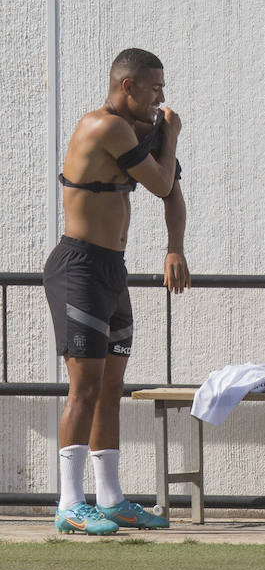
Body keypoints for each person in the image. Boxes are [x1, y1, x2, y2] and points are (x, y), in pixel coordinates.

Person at [45, 48, 189, 535]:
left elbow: (172, 191)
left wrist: (175, 248)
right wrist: (169, 135)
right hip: (78, 267)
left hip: (112, 270)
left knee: (111, 389)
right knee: (84, 389)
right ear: (128, 86)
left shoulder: (138, 132)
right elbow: (161, 180)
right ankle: (69, 503)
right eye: (154, 88)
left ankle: (110, 499)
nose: (162, 98)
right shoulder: (103, 127)